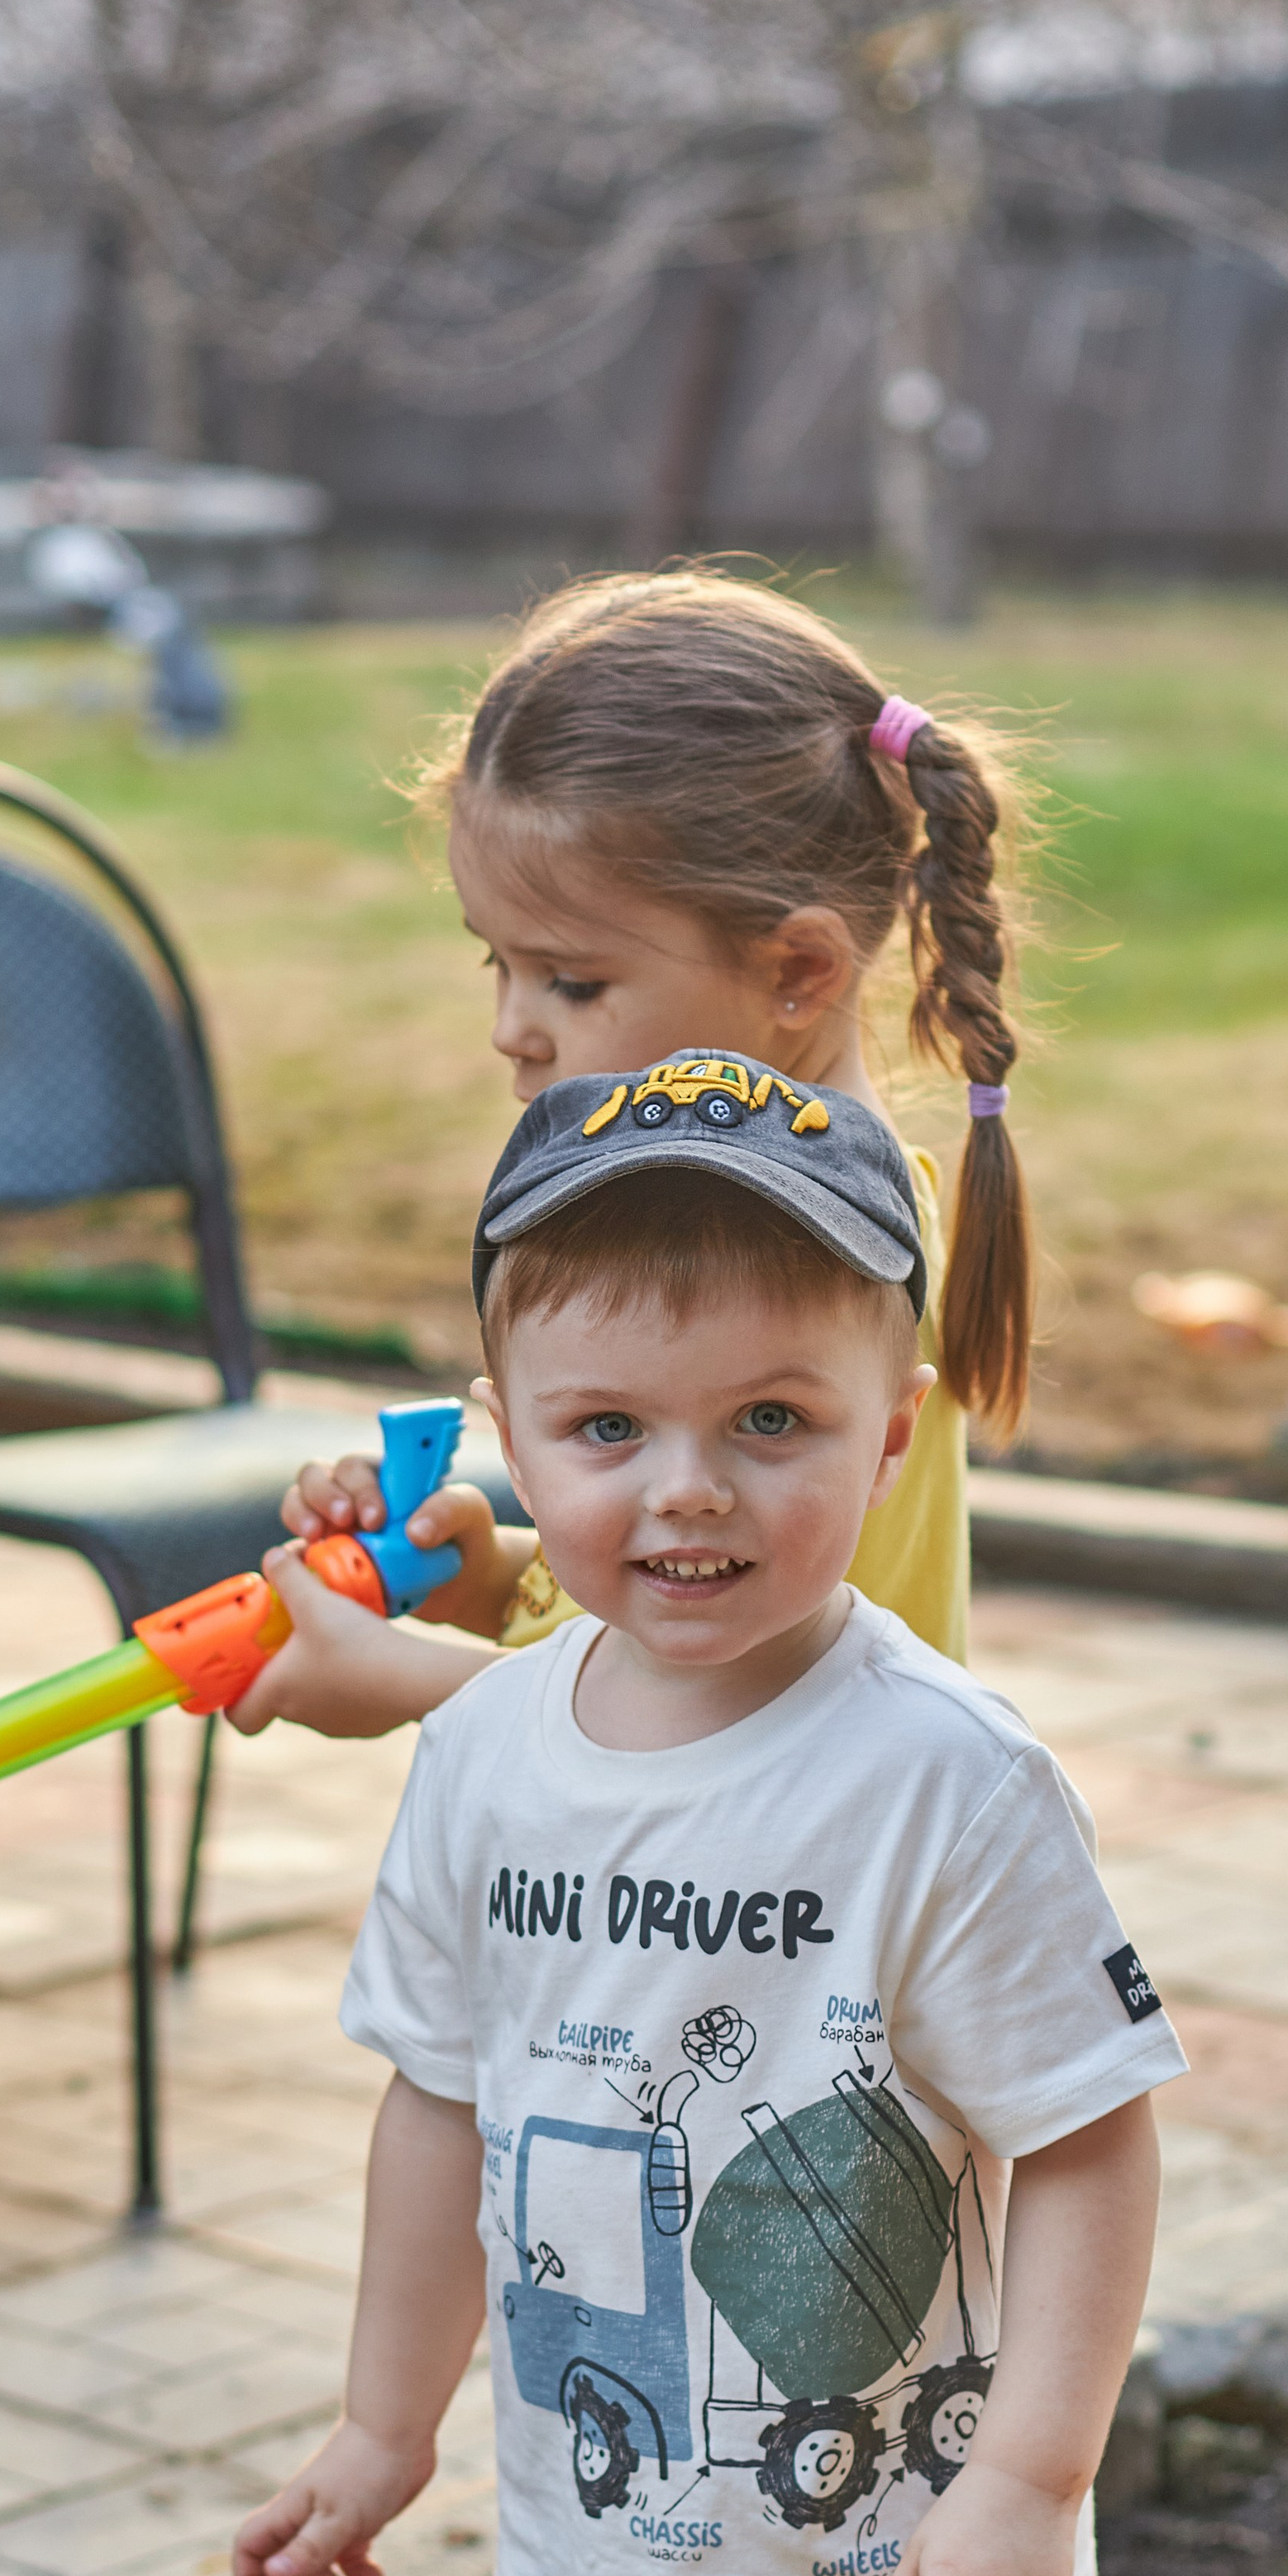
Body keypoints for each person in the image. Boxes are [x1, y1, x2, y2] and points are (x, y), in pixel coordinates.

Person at [232, 1064, 1183, 2576]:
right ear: (507, 1433)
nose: (686, 1491)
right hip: (583, 2561)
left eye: (772, 1421)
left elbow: (1089, 2137)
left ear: (892, 1428)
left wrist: (1021, 2484)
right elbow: (439, 2103)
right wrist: (382, 2422)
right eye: (605, 1430)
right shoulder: (488, 1747)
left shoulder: (941, 1782)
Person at [225, 566, 1034, 1745]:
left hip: (772, 1914)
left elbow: (729, 1723)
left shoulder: (820, 1265)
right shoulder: (747, 1227)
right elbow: (686, 1599)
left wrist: (406, 1687)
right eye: (494, 965)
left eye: (574, 980)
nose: (514, 1028)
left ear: (798, 974)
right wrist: (487, 1576)